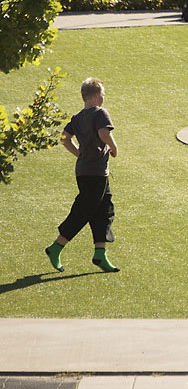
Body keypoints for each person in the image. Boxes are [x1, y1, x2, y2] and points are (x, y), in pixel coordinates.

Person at [44, 78, 121, 274]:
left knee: (104, 208)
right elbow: (104, 133)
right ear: (96, 96)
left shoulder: (77, 117)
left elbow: (64, 138)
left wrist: (79, 153)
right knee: (83, 210)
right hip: (96, 172)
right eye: (102, 94)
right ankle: (56, 247)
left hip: (85, 171)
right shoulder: (100, 113)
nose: (103, 98)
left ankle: (100, 254)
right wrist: (113, 147)